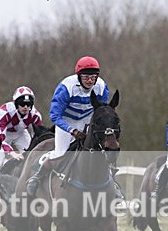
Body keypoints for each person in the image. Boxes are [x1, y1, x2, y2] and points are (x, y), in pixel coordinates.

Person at [25, 56, 122, 199]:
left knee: (102, 151)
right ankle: (38, 176)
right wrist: (72, 130)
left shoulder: (101, 86)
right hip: (66, 121)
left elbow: (102, 110)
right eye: (86, 77)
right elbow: (55, 115)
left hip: (88, 120)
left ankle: (113, 184)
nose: (90, 80)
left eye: (93, 77)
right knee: (60, 153)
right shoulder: (66, 87)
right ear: (79, 76)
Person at [0, 86, 43, 168]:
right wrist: (12, 152)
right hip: (4, 135)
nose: (25, 107)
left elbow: (36, 136)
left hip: (21, 133)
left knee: (32, 157)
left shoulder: (35, 116)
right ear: (16, 104)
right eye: (22, 103)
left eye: (28, 104)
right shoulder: (4, 111)